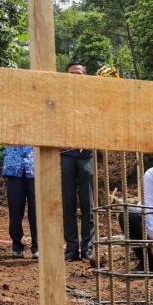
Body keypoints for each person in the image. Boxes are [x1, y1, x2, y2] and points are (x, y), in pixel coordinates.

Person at [61, 61, 95, 262]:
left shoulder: (90, 99)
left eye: (79, 74)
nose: (75, 77)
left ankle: (88, 248)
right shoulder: (60, 99)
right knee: (67, 204)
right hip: (65, 155)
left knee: (88, 204)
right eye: (71, 74)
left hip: (86, 156)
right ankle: (71, 248)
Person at [3, 145, 37, 259]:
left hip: (34, 166)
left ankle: (37, 246)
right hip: (13, 167)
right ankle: (17, 245)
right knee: (15, 211)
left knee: (36, 211)